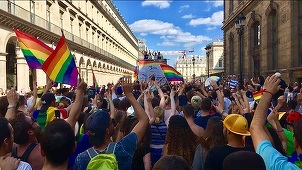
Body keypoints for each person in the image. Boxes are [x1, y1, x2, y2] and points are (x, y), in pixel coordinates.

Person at [74, 77, 149, 170]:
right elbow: (144, 120)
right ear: (107, 130)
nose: (113, 123)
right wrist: (129, 95)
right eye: (111, 122)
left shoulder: (81, 159)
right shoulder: (122, 149)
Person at [250, 75, 300, 169]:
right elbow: (283, 139)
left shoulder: (282, 166)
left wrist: (267, 93)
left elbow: (256, 127)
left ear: (295, 141)